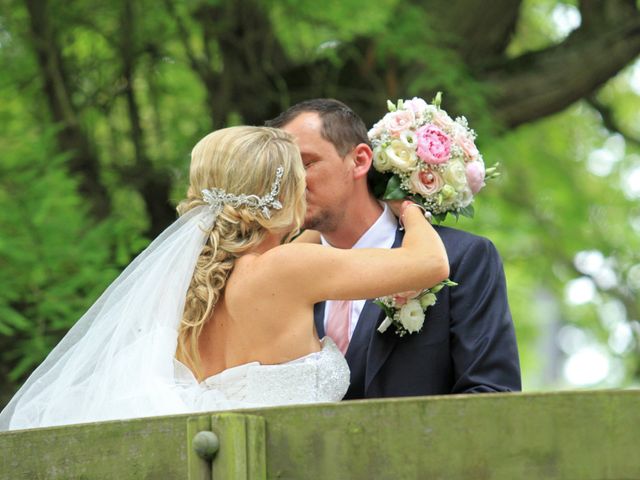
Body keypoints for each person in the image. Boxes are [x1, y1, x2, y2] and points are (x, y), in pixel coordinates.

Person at [0, 126, 449, 430]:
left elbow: (300, 245)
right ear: (284, 193)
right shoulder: (287, 270)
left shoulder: (192, 284)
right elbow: (431, 264)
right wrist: (407, 202)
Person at [266, 99, 521, 398]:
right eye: (283, 171)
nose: (291, 183)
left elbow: (490, 393)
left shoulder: (463, 258)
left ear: (360, 160)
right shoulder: (277, 277)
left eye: (306, 163)